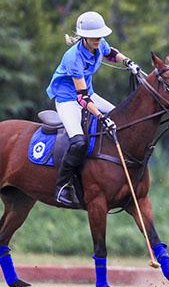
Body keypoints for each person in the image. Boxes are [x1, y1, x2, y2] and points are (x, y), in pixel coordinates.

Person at [47, 11, 141, 207]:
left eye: (100, 35)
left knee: (120, 120)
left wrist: (129, 63)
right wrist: (100, 116)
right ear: (84, 37)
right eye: (94, 36)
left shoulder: (99, 44)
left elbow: (111, 53)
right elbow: (81, 98)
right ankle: (62, 186)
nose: (98, 39)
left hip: (88, 94)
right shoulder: (73, 58)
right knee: (79, 142)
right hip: (68, 100)